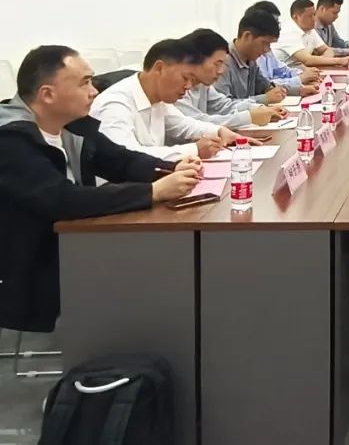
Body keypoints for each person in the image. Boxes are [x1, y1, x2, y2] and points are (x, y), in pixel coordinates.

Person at [0, 46, 201, 332]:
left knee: (164, 260)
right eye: (84, 83)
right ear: (47, 94)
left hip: (76, 242)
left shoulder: (72, 126)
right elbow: (61, 199)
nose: (94, 91)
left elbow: (120, 160)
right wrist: (153, 192)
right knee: (155, 266)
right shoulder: (10, 140)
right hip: (32, 262)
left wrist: (172, 168)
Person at [91, 38, 240, 160]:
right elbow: (127, 156)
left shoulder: (159, 99)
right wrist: (194, 150)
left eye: (192, 80)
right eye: (185, 78)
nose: (189, 86)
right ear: (159, 68)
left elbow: (184, 125)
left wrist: (219, 131)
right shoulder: (115, 104)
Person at [177, 29, 287, 128]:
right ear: (195, 60)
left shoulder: (202, 85)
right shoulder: (177, 88)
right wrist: (249, 117)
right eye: (217, 64)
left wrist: (260, 109)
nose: (221, 71)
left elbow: (225, 106)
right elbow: (196, 122)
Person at [220, 10, 308, 103]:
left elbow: (266, 87)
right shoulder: (222, 62)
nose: (267, 50)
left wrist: (298, 90)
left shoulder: (251, 60)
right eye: (265, 43)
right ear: (247, 36)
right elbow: (223, 106)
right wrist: (265, 98)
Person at [246, 1, 319, 96]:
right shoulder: (253, 53)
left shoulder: (266, 48)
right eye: (274, 23)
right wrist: (300, 79)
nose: (278, 27)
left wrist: (303, 75)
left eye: (277, 23)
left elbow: (282, 70)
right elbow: (266, 86)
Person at [273, 0, 349, 69]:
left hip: (300, 71)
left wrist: (323, 60)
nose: (314, 19)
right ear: (296, 17)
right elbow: (307, 60)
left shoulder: (310, 30)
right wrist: (339, 61)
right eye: (309, 16)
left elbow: (327, 50)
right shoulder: (288, 33)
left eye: (314, 14)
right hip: (281, 76)